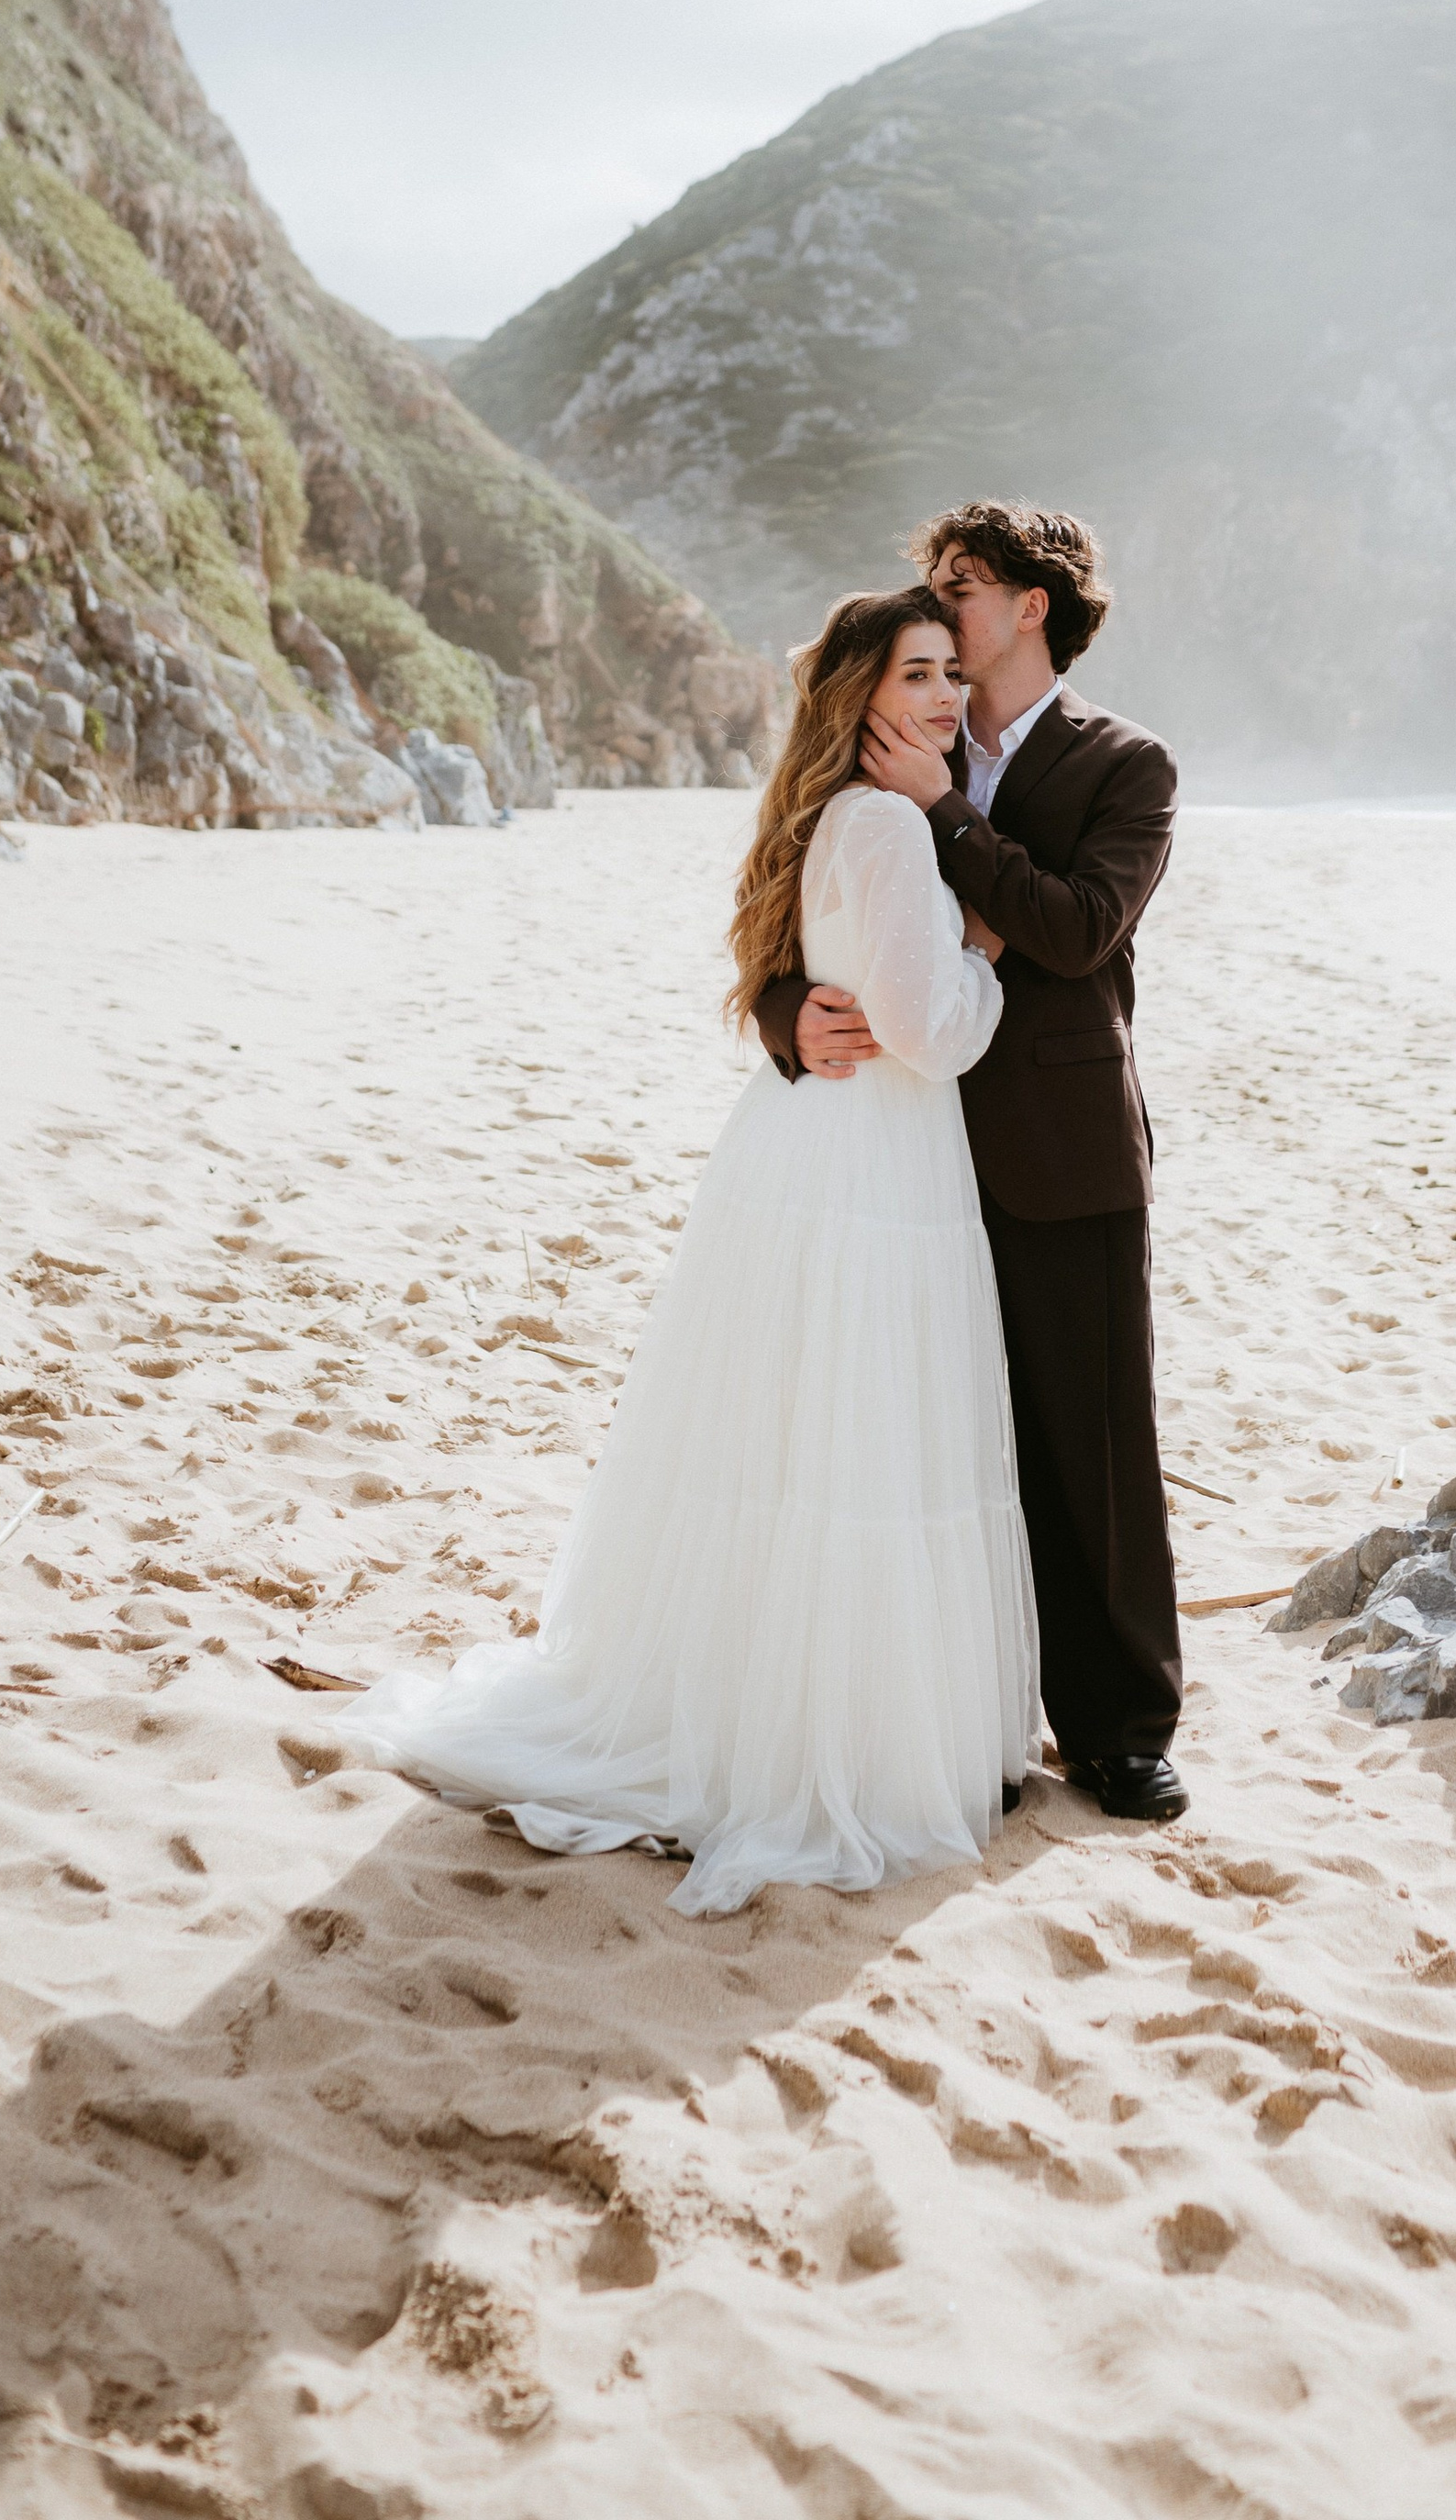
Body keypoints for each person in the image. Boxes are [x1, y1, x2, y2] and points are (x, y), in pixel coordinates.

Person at [338, 588, 1039, 1917]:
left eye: (956, 674)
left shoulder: (827, 815)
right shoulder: (890, 825)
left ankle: (752, 1702)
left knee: (791, 1443)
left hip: (805, 1153)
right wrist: (988, 948)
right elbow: (933, 1032)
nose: (948, 698)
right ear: (863, 700)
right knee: (855, 1442)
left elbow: (816, 976)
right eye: (920, 677)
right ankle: (824, 1739)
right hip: (872, 1163)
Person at [755, 503, 1186, 1823]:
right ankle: (971, 1714)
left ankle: (1120, 1730)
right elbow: (806, 907)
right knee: (941, 1452)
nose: (940, 608)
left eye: (963, 587)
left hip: (1062, 1154)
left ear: (1032, 606)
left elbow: (1071, 932)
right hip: (904, 1163)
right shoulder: (892, 745)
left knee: (1091, 1449)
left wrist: (945, 813)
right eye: (932, 591)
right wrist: (790, 1016)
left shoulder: (1126, 765)